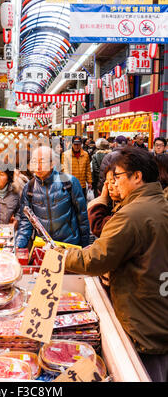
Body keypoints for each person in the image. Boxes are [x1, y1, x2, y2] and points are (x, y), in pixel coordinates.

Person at [63, 147, 168, 382]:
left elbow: (95, 260)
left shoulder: (133, 214)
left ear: (137, 176)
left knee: (143, 373)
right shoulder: (159, 203)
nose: (113, 184)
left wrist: (60, 256)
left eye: (117, 177)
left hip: (143, 317)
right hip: (158, 310)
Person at [15, 146, 90, 249]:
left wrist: (85, 246)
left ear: (52, 164)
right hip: (43, 246)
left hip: (69, 245)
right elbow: (26, 221)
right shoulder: (29, 188)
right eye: (34, 162)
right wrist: (18, 246)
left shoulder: (69, 182)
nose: (38, 167)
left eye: (42, 162)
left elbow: (82, 217)